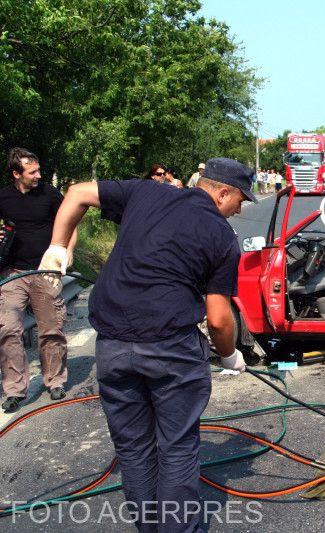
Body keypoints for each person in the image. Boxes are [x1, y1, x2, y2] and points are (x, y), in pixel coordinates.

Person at [42, 157, 255, 530]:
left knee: (134, 450)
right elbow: (219, 319)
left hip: (112, 344)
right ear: (222, 192)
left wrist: (58, 246)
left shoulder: (145, 193)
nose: (239, 209)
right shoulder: (221, 236)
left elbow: (76, 194)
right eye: (240, 200)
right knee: (176, 450)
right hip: (171, 348)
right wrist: (229, 355)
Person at [0, 148, 78, 413]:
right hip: (13, 273)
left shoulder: (49, 193)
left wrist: (68, 251)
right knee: (8, 329)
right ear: (16, 173)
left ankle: (55, 380)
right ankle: (14, 389)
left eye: (38, 170)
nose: (38, 175)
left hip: (46, 271)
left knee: (52, 329)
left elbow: (71, 221)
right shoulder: (3, 197)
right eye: (32, 172)